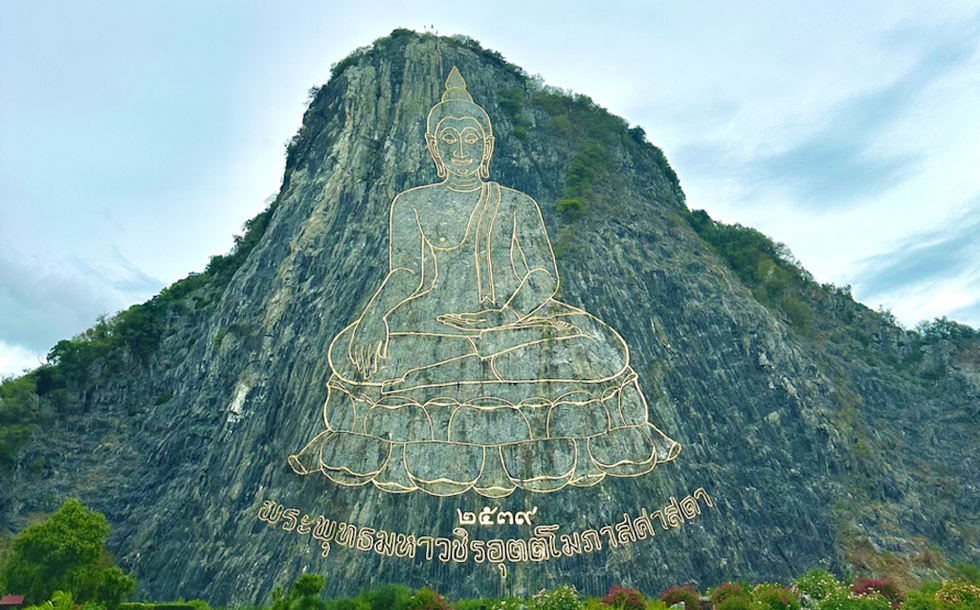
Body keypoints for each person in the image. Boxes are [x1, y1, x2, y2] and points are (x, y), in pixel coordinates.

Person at [289, 67, 679, 497]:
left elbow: (543, 275)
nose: (462, 150)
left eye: (472, 139)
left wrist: (506, 315)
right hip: (437, 325)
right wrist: (373, 317)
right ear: (434, 147)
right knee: (362, 354)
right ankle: (463, 392)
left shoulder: (515, 203)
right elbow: (408, 274)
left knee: (597, 350)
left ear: (487, 146)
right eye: (450, 140)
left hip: (517, 324)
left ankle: (467, 392)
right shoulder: (412, 203)